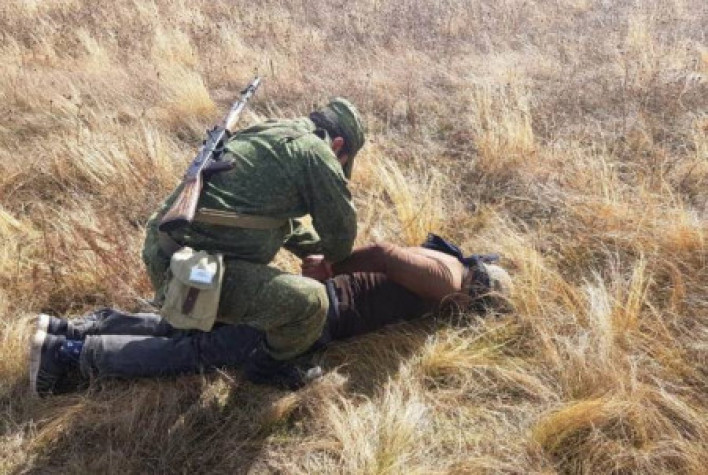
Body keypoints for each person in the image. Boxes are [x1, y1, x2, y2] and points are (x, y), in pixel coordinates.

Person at [29, 236, 513, 396]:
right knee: (198, 351)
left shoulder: (447, 261)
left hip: (309, 298)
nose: (468, 318)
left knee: (192, 326)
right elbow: (384, 255)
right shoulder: (448, 282)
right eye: (477, 311)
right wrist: (331, 268)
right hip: (318, 312)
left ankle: (76, 329)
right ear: (476, 295)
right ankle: (68, 355)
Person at [141, 98, 366, 389]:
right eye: (343, 162)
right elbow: (341, 235)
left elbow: (271, 221)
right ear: (338, 145)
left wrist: (313, 250)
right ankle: (267, 370)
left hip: (166, 248)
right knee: (311, 303)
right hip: (191, 271)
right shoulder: (315, 152)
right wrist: (330, 259)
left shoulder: (271, 132)